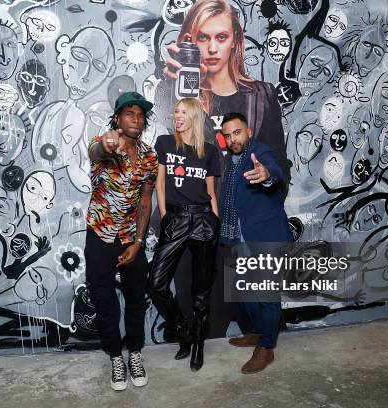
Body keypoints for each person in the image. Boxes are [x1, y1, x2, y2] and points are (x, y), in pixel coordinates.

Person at [156, 0, 290, 194]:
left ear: (235, 39)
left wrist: (268, 177)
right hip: (194, 216)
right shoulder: (176, 93)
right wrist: (174, 86)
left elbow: (280, 168)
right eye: (202, 37)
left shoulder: (261, 96)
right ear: (190, 40)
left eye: (221, 37)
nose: (212, 48)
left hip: (242, 216)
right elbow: (167, 150)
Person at [85, 92, 158, 391]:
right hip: (101, 234)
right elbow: (94, 152)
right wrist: (104, 144)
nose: (136, 119)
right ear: (117, 117)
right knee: (104, 299)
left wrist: (138, 242)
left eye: (140, 115)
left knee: (136, 299)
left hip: (131, 237)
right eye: (129, 113)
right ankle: (116, 356)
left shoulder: (149, 156)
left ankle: (135, 352)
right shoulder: (105, 144)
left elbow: (145, 201)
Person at [149, 98, 221, 371]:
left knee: (201, 291)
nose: (177, 115)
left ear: (194, 116)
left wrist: (215, 223)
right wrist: (166, 215)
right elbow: (159, 183)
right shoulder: (165, 144)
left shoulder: (210, 152)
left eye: (182, 112)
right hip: (176, 219)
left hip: (204, 219)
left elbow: (211, 191)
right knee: (156, 284)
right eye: (175, 111)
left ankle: (198, 344)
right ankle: (184, 332)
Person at [220, 112, 293, 374]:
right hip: (240, 237)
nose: (232, 139)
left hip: (265, 236)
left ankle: (267, 347)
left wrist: (267, 175)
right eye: (227, 135)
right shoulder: (232, 161)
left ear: (248, 131)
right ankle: (257, 332)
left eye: (237, 132)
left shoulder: (259, 151)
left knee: (267, 296)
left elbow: (273, 172)